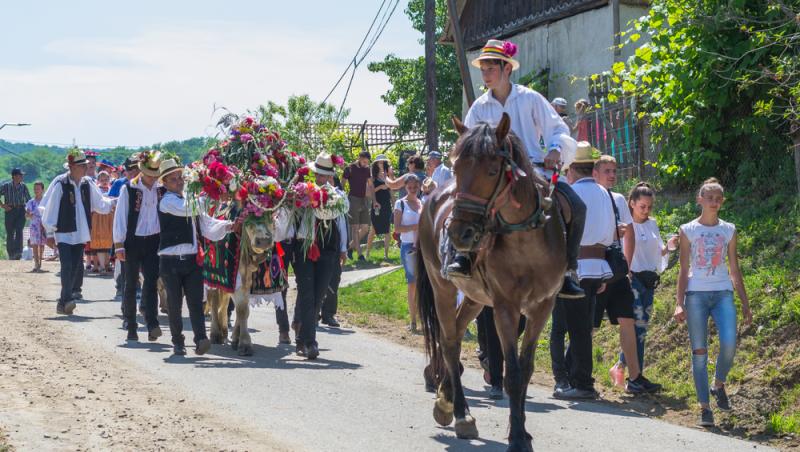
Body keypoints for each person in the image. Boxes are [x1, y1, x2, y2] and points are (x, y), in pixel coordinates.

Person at [452, 39, 586, 299]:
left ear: (507, 69)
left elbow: (558, 129)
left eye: (491, 69)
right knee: (467, 206)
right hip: (493, 177)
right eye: (483, 70)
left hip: (533, 171)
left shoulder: (530, 98)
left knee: (577, 207)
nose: (486, 75)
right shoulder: (479, 107)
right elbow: (465, 143)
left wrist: (556, 150)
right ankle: (464, 257)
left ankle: (568, 270)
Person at [674, 177, 752, 427]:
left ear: (722, 201)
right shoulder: (688, 230)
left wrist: (745, 303)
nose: (714, 202)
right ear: (700, 200)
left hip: (722, 293)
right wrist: (679, 302)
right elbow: (683, 268)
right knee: (699, 353)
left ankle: (718, 385)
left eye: (718, 198)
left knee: (729, 342)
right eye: (709, 198)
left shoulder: (728, 229)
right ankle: (704, 408)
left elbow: (734, 268)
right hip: (696, 294)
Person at [592, 155, 660, 394]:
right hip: (610, 273)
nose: (612, 175)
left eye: (614, 171)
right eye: (607, 171)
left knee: (634, 325)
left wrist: (628, 269)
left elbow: (640, 241)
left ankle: (630, 373)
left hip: (633, 277)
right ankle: (577, 371)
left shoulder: (627, 206)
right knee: (597, 324)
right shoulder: (598, 203)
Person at [549, 143, 611, 399]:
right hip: (598, 266)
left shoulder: (569, 194)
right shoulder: (605, 193)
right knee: (583, 328)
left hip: (574, 267)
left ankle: (573, 380)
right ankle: (578, 378)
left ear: (572, 169)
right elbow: (610, 232)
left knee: (562, 328)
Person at [157, 157, 234, 356]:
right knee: (174, 304)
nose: (179, 181)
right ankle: (178, 342)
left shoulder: (188, 200)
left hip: (192, 259)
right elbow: (190, 209)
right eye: (173, 179)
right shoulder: (167, 201)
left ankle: (200, 338)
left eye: (180, 177)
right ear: (164, 183)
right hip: (170, 260)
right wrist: (210, 191)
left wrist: (228, 225)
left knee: (195, 303)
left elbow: (206, 224)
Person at [607, 182, 677, 384]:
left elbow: (659, 251)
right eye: (642, 206)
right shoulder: (625, 226)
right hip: (633, 280)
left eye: (649, 207)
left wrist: (670, 246)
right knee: (637, 328)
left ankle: (621, 367)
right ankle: (634, 377)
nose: (646, 211)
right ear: (631, 204)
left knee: (641, 329)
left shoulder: (652, 223)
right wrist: (625, 274)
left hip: (649, 281)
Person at [41, 149, 116, 315]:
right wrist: (50, 233)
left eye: (85, 165)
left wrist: (115, 203)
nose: (86, 168)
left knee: (76, 266)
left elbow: (100, 203)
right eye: (82, 165)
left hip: (80, 233)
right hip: (64, 232)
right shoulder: (60, 184)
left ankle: (64, 301)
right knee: (67, 265)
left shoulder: (87, 183)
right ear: (73, 167)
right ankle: (66, 299)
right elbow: (51, 209)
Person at [289, 153, 348, 359]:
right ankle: (310, 342)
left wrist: (343, 248)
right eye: (318, 174)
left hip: (327, 249)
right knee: (307, 293)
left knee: (319, 293)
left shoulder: (337, 196)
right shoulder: (303, 191)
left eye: (325, 175)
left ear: (330, 175)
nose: (321, 178)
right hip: (305, 246)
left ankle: (302, 338)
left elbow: (338, 219)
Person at [114, 151, 166, 341]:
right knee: (130, 283)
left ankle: (152, 322)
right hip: (132, 241)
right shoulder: (129, 189)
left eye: (155, 175)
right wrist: (119, 244)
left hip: (153, 241)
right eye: (150, 175)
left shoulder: (161, 189)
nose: (153, 179)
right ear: (142, 172)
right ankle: (131, 323)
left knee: (152, 282)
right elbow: (120, 217)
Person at [393, 174, 422, 332]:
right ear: (405, 187)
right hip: (408, 246)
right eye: (409, 188)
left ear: (418, 187)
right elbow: (397, 228)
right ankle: (413, 320)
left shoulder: (422, 202)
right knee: (412, 283)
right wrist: (416, 226)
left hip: (423, 247)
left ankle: (423, 318)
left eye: (415, 187)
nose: (412, 190)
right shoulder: (400, 203)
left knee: (424, 284)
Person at [343, 151, 373, 261]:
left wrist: (373, 200)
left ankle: (349, 248)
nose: (366, 164)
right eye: (364, 161)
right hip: (353, 199)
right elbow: (343, 184)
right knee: (355, 228)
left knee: (365, 228)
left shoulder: (366, 169)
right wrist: (342, 199)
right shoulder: (349, 168)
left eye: (367, 162)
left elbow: (370, 184)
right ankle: (360, 254)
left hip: (364, 199)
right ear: (359, 158)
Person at [366, 154, 393, 261]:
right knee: (373, 229)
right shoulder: (372, 177)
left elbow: (391, 191)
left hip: (386, 204)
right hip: (376, 204)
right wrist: (381, 187)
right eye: (379, 162)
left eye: (383, 162)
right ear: (376, 164)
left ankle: (386, 255)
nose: (381, 163)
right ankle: (367, 253)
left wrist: (395, 203)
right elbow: (368, 193)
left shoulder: (388, 176)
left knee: (387, 230)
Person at [1, 168, 31, 260]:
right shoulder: (6, 186)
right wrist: (3, 206)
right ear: (14, 176)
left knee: (19, 231)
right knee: (10, 232)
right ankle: (11, 254)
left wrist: (28, 210)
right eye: (20, 175)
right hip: (10, 210)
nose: (22, 177)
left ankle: (18, 253)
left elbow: (28, 199)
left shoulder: (23, 186)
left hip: (20, 210)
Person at [89, 170, 114, 274]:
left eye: (106, 179)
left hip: (108, 217)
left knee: (108, 240)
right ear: (98, 181)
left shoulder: (111, 190)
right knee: (99, 241)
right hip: (98, 218)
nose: (104, 181)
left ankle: (107, 264)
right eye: (102, 180)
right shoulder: (96, 191)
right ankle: (102, 266)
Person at [25, 181, 46, 272]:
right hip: (34, 225)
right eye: (35, 189)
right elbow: (27, 214)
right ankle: (36, 263)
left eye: (38, 188)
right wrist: (30, 214)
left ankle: (40, 260)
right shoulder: (31, 202)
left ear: (42, 190)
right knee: (34, 244)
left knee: (42, 245)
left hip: (43, 225)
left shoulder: (46, 201)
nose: (36, 190)